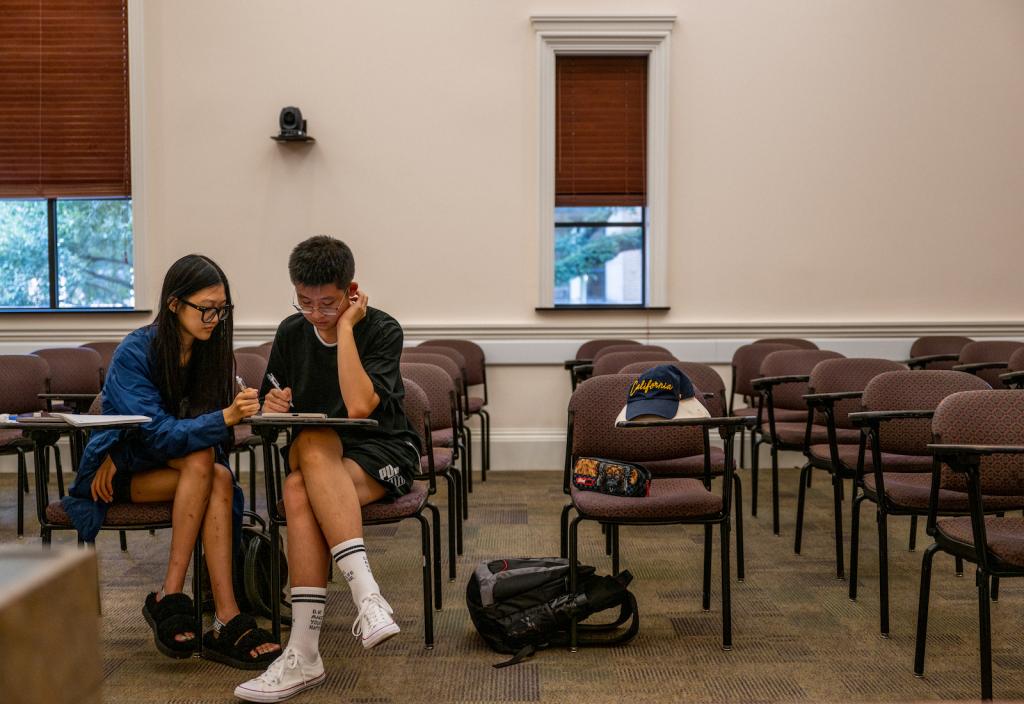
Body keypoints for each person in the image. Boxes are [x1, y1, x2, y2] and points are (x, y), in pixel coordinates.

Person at [63, 254, 280, 668]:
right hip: (118, 475)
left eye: (222, 309)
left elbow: (207, 443)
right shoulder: (134, 352)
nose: (216, 318)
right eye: (207, 308)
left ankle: (181, 599)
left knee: (211, 469)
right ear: (174, 305)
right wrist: (224, 418)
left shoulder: (212, 353)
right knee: (204, 463)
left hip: (177, 468)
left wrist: (222, 420)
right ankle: (217, 611)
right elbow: (158, 432)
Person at [234, 236, 421, 703]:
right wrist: (273, 405)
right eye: (304, 302)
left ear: (351, 292)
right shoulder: (291, 332)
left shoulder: (381, 329)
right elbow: (269, 411)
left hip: (383, 453)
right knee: (314, 442)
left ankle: (303, 653)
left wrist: (349, 330)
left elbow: (359, 406)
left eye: (328, 303)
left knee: (298, 493)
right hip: (317, 449)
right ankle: (368, 596)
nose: (316, 314)